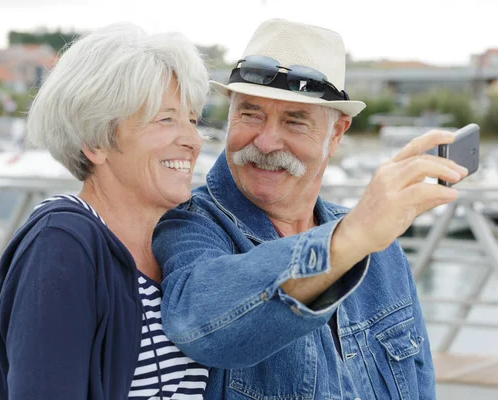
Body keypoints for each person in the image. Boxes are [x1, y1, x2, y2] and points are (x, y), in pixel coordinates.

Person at [152, 19, 468, 399]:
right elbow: (201, 324)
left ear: (336, 134)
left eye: (294, 120)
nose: (266, 142)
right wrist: (352, 237)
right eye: (251, 113)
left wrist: (359, 234)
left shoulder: (383, 251)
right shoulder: (190, 224)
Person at [0, 23, 210, 400]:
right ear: (96, 141)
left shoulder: (179, 247)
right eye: (166, 119)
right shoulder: (61, 244)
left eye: (192, 119)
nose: (192, 139)